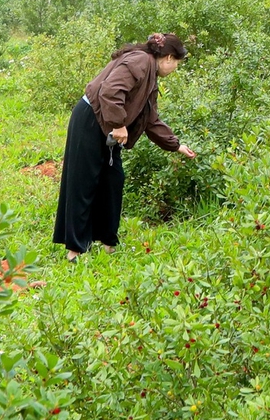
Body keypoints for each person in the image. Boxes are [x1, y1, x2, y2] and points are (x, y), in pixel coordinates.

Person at [53, 32, 197, 259]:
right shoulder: (141, 61)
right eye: (176, 64)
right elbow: (110, 91)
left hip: (108, 124)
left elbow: (150, 119)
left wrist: (175, 145)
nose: (175, 69)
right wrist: (119, 124)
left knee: (113, 181)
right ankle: (75, 251)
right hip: (91, 119)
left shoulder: (150, 75)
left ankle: (109, 243)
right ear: (168, 58)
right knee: (84, 183)